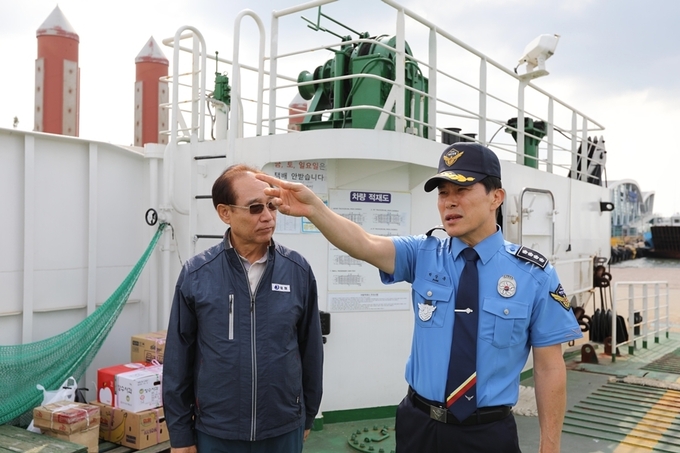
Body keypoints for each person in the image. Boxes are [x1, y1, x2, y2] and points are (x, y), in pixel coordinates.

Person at [257, 143, 583, 453]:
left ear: (496, 197)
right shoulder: (423, 254)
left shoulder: (534, 275)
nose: (449, 202)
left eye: (462, 190)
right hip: (419, 426)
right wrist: (315, 209)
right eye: (443, 193)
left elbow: (549, 368)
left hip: (487, 433)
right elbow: (364, 243)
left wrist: (549, 446)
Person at [163, 164, 324, 453]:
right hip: (217, 432)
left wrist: (308, 414)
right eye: (255, 208)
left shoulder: (297, 270)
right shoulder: (197, 274)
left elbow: (310, 350)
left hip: (282, 428)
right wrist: (180, 433)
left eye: (272, 206)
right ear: (225, 212)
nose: (268, 217)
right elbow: (178, 360)